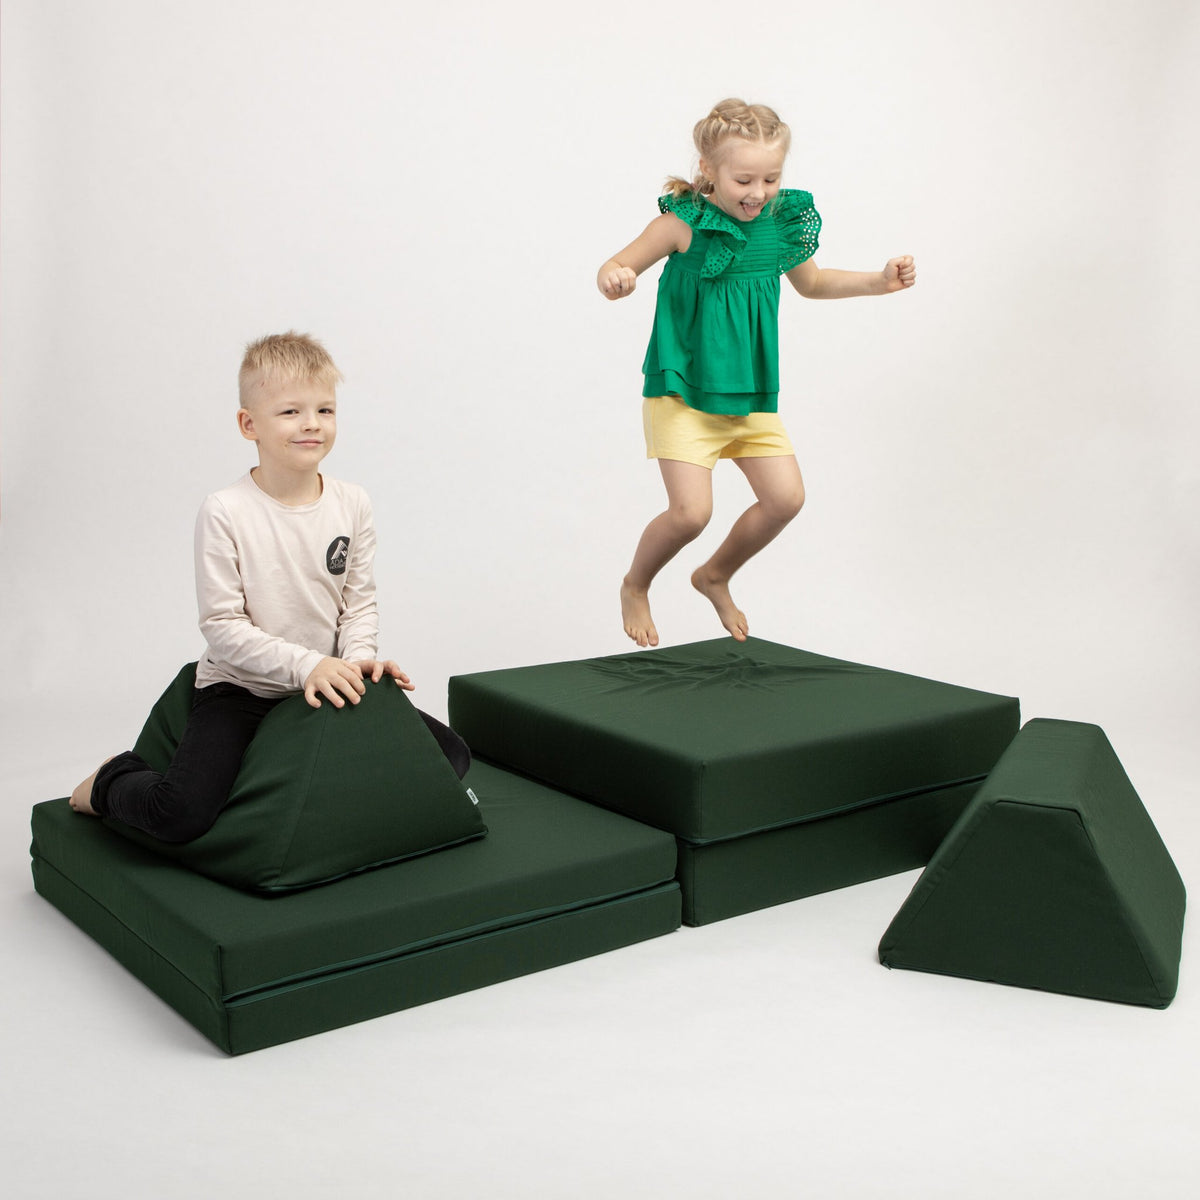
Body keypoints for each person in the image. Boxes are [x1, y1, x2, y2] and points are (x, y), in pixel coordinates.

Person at [70, 331, 469, 842]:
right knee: (180, 815)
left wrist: (359, 660)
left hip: (329, 682)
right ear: (248, 424)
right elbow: (222, 627)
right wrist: (309, 664)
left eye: (325, 410)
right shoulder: (225, 511)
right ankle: (109, 780)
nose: (311, 425)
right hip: (243, 688)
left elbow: (358, 602)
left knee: (452, 757)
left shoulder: (353, 502)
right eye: (290, 412)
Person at [597, 98, 916, 648]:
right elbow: (615, 264)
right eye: (743, 178)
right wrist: (617, 278)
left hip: (748, 395)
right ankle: (636, 583)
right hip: (683, 390)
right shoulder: (681, 224)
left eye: (770, 178)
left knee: (786, 499)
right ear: (707, 171)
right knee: (691, 513)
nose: (757, 192)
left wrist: (878, 281)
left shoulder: (777, 225)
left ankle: (714, 574)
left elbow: (814, 284)